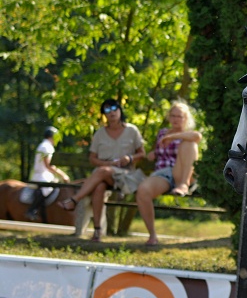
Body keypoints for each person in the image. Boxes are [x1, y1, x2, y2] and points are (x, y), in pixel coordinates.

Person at [58, 99, 146, 241]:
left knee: (102, 172)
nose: (111, 112)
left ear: (120, 110)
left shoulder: (132, 130)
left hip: (126, 175)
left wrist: (129, 158)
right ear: (103, 114)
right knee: (99, 186)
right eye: (107, 110)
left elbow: (142, 154)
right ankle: (98, 230)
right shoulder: (99, 133)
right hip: (104, 174)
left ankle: (74, 199)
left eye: (114, 108)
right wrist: (109, 163)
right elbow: (92, 159)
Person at [136, 101, 202, 246]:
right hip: (163, 174)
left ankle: (184, 185)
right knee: (143, 190)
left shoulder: (187, 134)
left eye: (180, 116)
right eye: (173, 115)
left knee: (189, 143)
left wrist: (173, 137)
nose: (176, 119)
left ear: (186, 118)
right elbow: (159, 151)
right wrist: (153, 154)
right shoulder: (162, 133)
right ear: (168, 116)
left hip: (181, 172)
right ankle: (152, 235)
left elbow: (197, 137)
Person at [25, 126, 70, 220]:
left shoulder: (44, 145)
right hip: (42, 174)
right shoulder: (46, 147)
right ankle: (31, 210)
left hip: (44, 173)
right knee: (46, 188)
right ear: (52, 136)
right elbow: (48, 165)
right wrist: (63, 175)